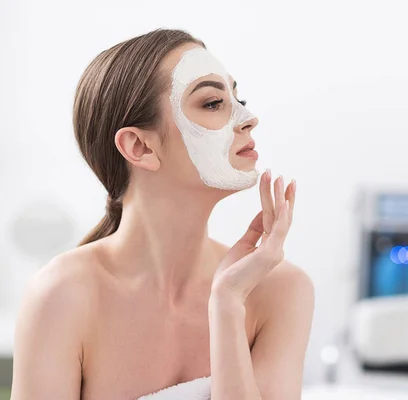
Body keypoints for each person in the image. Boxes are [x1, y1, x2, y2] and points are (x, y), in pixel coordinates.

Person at [10, 29, 314, 400]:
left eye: (239, 97)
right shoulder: (61, 297)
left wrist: (228, 304)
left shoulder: (278, 289)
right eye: (214, 102)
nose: (249, 118)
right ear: (139, 146)